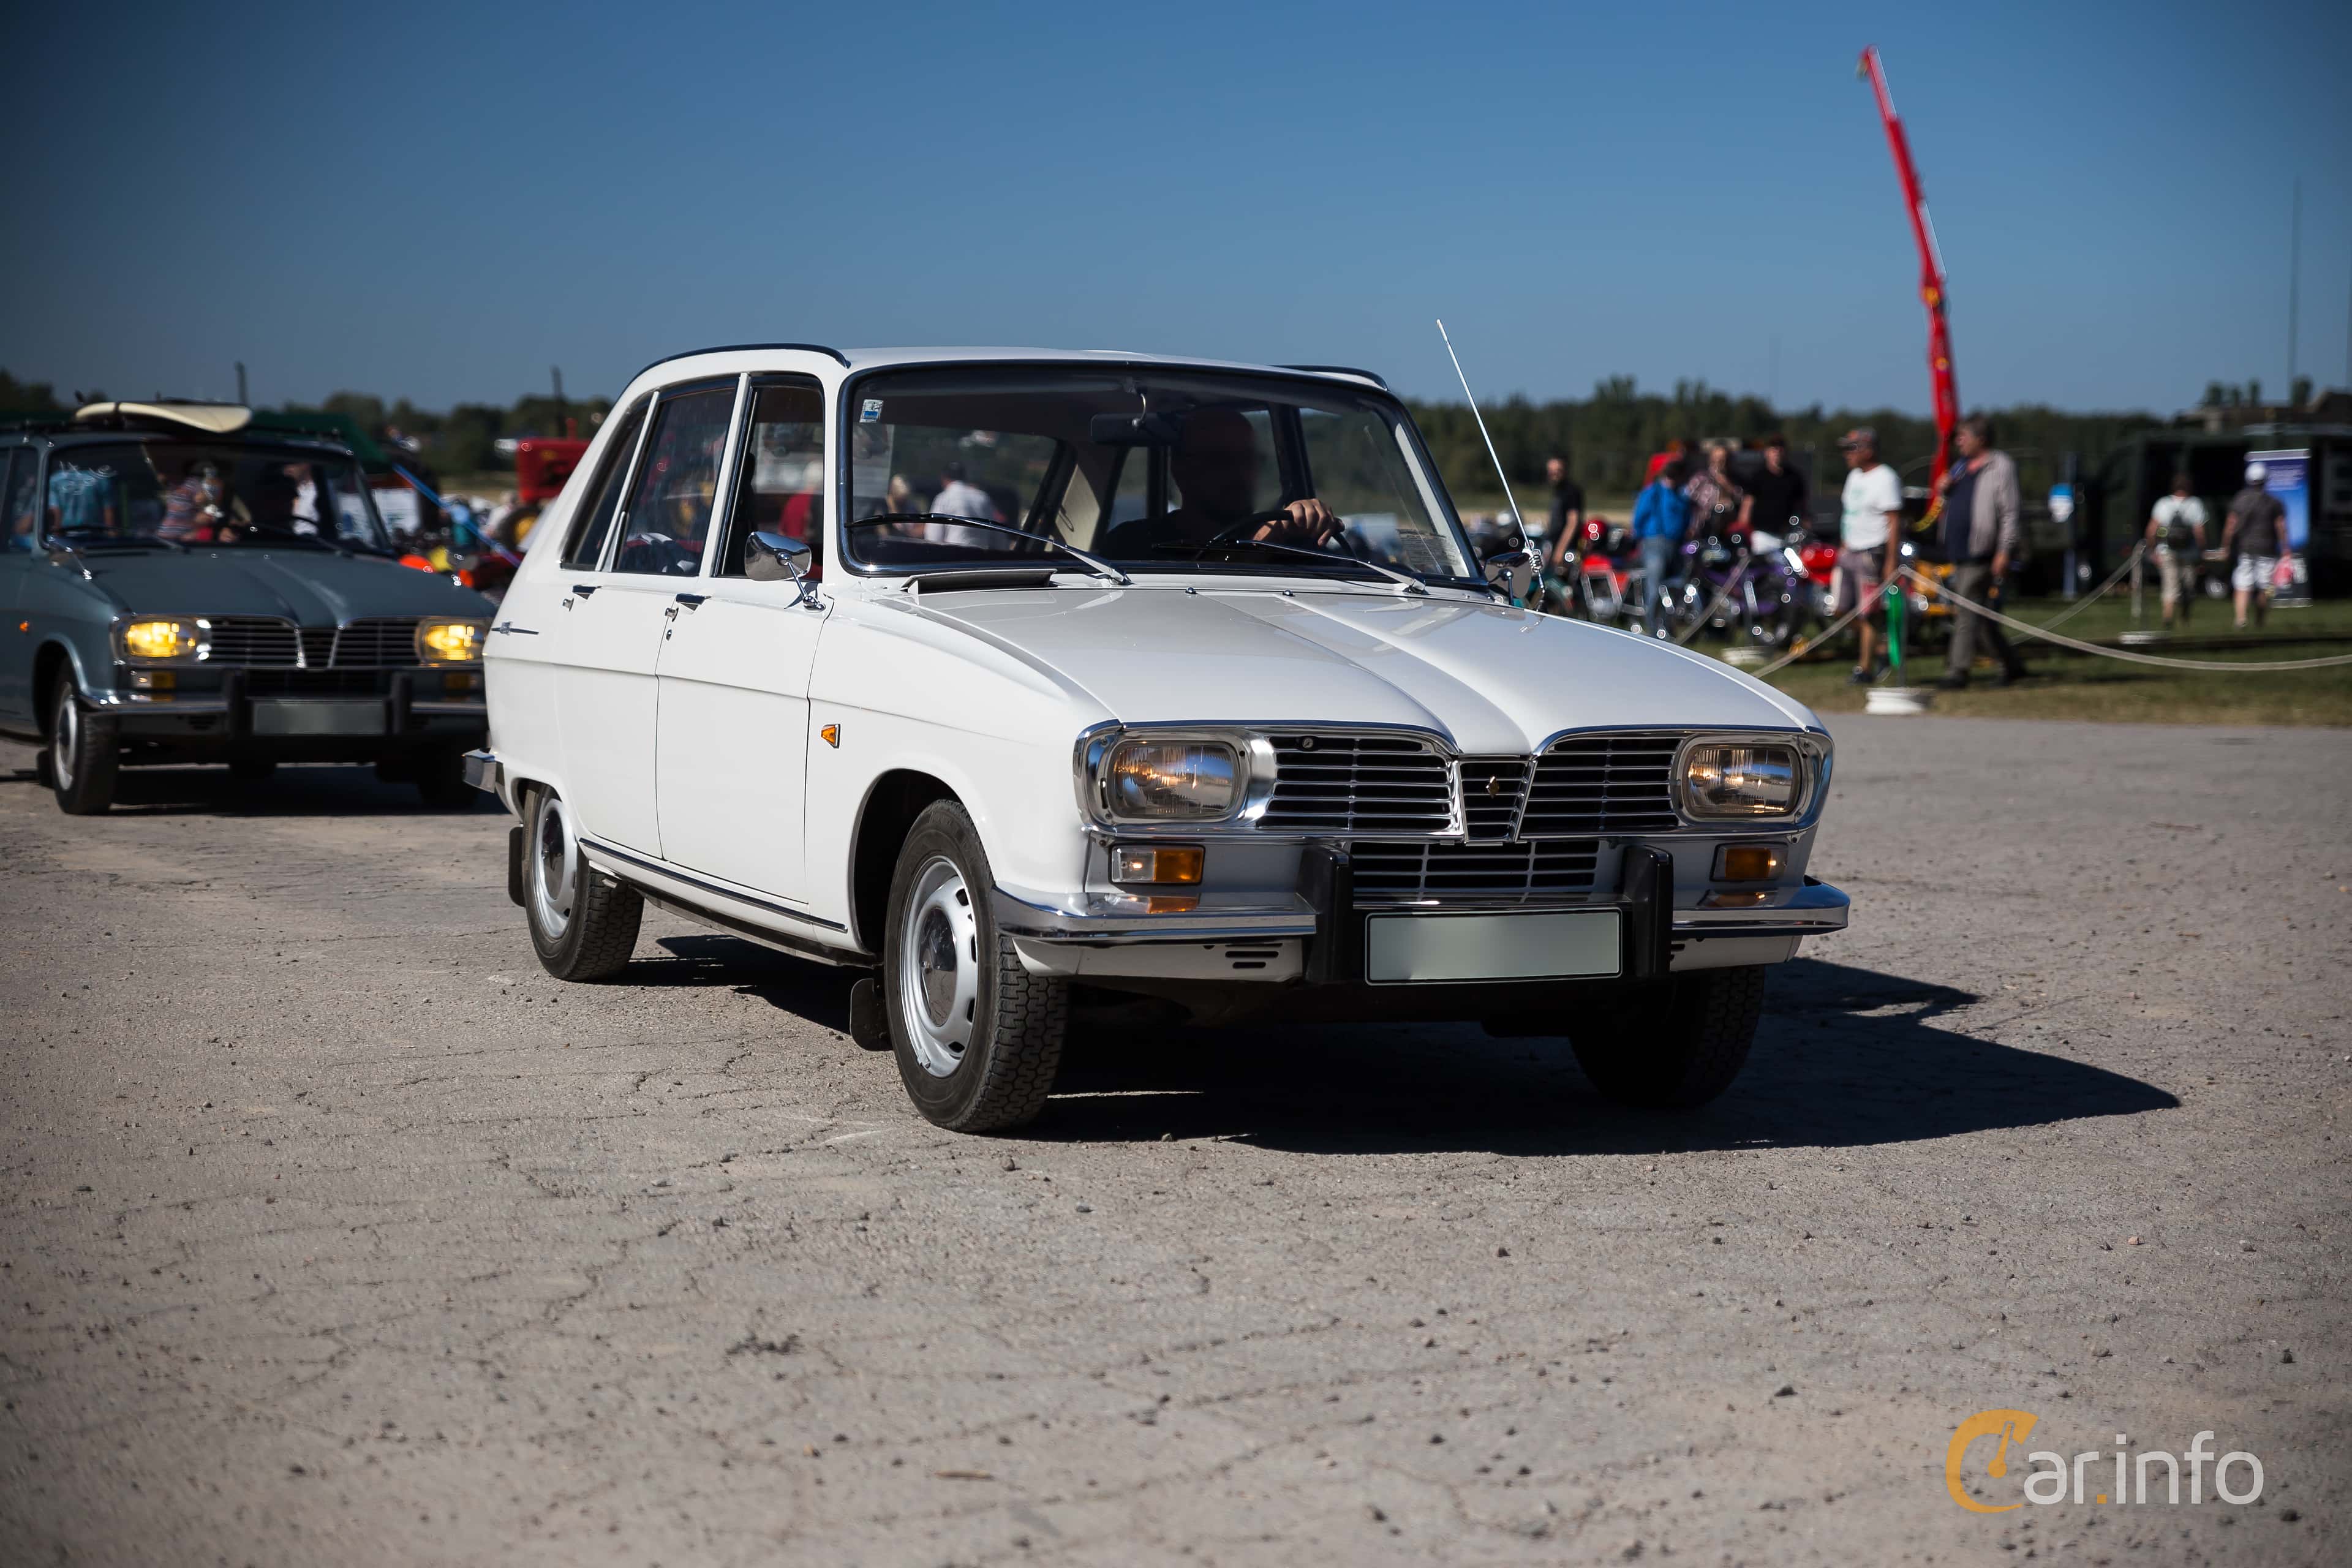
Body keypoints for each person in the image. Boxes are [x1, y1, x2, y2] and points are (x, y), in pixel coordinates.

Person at [1099, 407, 1338, 557]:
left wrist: (1306, 519)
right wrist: (1271, 536)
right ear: (1180, 470)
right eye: (1219, 458)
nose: (1239, 471)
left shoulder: (1293, 550)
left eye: (1248, 459)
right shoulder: (1133, 545)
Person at [1932, 414, 2027, 688]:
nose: (1959, 442)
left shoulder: (2001, 466)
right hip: (1959, 552)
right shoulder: (1961, 468)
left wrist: (2004, 551)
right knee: (1980, 616)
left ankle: (1957, 671)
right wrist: (1945, 491)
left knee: (1965, 611)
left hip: (1984, 553)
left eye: (1964, 436)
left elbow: (2011, 513)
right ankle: (2012, 665)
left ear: (1981, 439)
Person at [1837, 428, 1903, 682]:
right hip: (1850, 550)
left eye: (1852, 448)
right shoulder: (1854, 477)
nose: (1847, 454)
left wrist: (1890, 560)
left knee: (1868, 613)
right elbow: (1849, 513)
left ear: (1869, 449)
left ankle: (1864, 668)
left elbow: (1894, 521)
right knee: (1840, 610)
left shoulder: (1886, 478)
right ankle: (1881, 650)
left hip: (1871, 552)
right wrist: (1843, 545)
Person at [2221, 461, 2286, 630]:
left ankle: (2241, 619)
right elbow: (2281, 526)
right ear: (2266, 479)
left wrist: (2226, 546)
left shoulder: (2239, 500)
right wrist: (2286, 548)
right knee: (2266, 586)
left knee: (2242, 584)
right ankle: (2260, 621)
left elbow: (2231, 525)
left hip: (2245, 549)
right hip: (2267, 549)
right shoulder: (2274, 502)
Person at [1629, 459, 1690, 631]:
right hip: (1654, 544)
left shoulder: (1681, 495)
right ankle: (1653, 629)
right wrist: (1638, 539)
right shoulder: (1653, 493)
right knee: (1654, 589)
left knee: (1675, 587)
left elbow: (1686, 519)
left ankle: (1667, 625)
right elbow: (1639, 518)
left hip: (1675, 545)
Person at [2143, 472, 2206, 630]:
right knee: (2188, 587)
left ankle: (2168, 618)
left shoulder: (2162, 504)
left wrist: (2152, 550)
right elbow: (2200, 532)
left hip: (2166, 551)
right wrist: (2202, 551)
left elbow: (2151, 531)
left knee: (2169, 585)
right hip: (2189, 553)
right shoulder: (2195, 504)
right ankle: (2185, 618)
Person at [1738, 434, 1808, 542]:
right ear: (1767, 452)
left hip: (1787, 535)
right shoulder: (1758, 477)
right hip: (1762, 535)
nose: (1777, 453)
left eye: (1780, 449)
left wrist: (1806, 523)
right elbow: (1748, 503)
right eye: (1773, 449)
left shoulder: (1794, 477)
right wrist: (1743, 529)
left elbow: (1802, 504)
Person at [1684, 442, 1744, 546]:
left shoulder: (1735, 480)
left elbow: (1742, 499)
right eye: (1717, 458)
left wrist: (1727, 485)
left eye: (1723, 458)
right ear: (1711, 459)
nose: (1720, 462)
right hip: (1703, 529)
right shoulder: (1701, 478)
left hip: (1728, 532)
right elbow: (1687, 499)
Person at [1544, 454, 1584, 570]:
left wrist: (1560, 551)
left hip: (1567, 549)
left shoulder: (1571, 492)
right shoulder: (1558, 492)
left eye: (1558, 471)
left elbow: (1573, 523)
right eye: (1551, 472)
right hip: (1554, 545)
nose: (1554, 475)